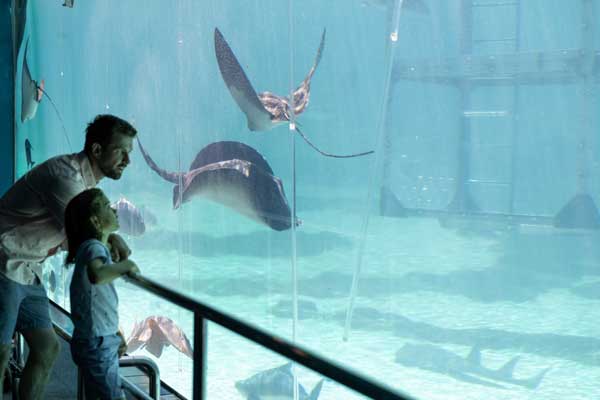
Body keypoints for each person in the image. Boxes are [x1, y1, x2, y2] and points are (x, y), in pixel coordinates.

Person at [0, 114, 136, 398]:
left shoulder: (87, 190)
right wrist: (112, 331)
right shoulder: (67, 179)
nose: (127, 160)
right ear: (97, 150)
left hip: (28, 267)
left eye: (129, 152)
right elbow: (89, 246)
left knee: (48, 349)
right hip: (4, 258)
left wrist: (111, 238)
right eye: (121, 150)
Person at [65, 188, 139, 400]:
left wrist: (114, 332)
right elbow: (97, 275)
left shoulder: (94, 247)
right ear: (95, 222)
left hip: (97, 337)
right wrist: (127, 265)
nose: (114, 209)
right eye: (107, 206)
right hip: (97, 342)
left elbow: (95, 300)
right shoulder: (92, 247)